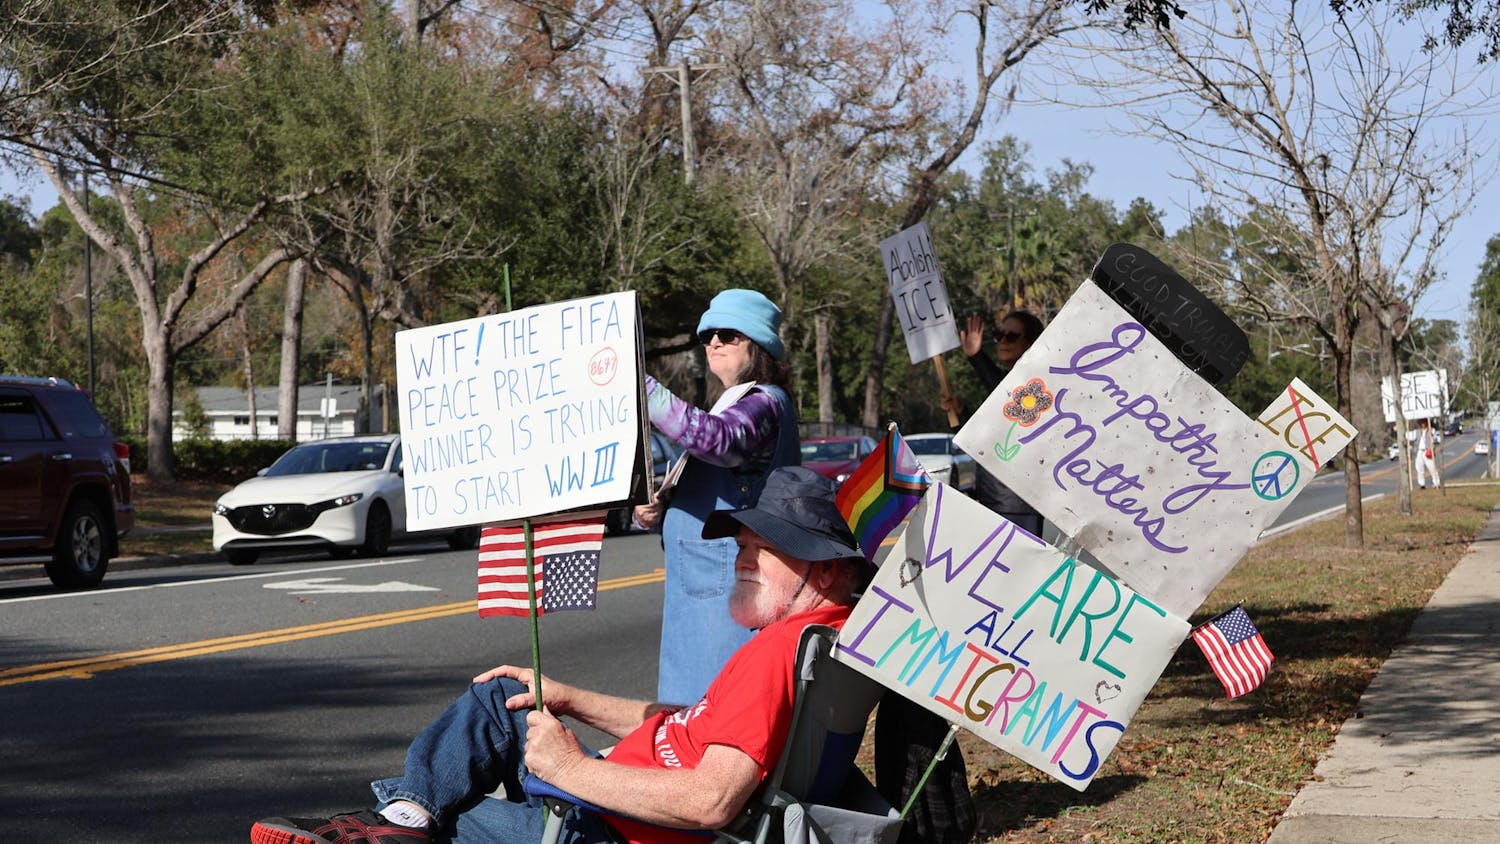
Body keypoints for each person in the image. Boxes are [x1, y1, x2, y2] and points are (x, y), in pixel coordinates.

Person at [249, 467, 870, 844]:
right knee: (505, 697)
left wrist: (570, 771)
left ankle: (401, 820)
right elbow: (699, 727)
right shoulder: (823, 637)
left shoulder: (780, 652)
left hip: (599, 827)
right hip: (609, 799)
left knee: (445, 821)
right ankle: (405, 813)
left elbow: (711, 801)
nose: (743, 557)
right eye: (744, 543)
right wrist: (574, 700)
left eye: (767, 548)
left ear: (828, 567)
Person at [633, 288, 801, 705]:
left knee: (719, 718)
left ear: (757, 345)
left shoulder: (766, 401)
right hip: (701, 597)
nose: (713, 343)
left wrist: (639, 386)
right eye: (707, 335)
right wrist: (655, 510)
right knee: (688, 722)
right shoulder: (734, 404)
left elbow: (720, 441)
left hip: (731, 597)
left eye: (728, 334)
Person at [946, 309, 1046, 536]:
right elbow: (982, 440)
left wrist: (976, 357)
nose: (1002, 341)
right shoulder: (1006, 388)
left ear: (1031, 343)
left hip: (1018, 507)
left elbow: (1010, 391)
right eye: (999, 335)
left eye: (1012, 336)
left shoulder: (1036, 385)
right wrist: (959, 412)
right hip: (991, 501)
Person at [1414, 418, 1441, 489]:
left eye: (1424, 422)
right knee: (1419, 468)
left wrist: (1433, 441)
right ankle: (1421, 484)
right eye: (1421, 422)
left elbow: (1437, 438)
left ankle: (1436, 483)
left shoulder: (1432, 430)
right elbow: (1408, 436)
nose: (1422, 423)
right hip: (1419, 451)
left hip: (1428, 450)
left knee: (1432, 467)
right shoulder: (1417, 432)